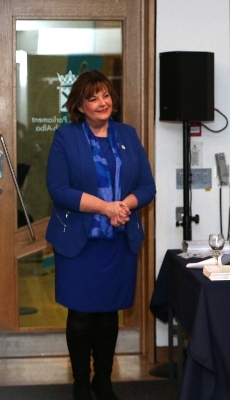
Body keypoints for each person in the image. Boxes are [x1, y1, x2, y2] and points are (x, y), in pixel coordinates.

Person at [46, 70, 156, 400]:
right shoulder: (66, 136)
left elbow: (147, 187)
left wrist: (125, 205)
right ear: (79, 106)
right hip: (80, 244)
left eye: (106, 95)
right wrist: (106, 208)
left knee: (109, 315)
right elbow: (58, 190)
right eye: (93, 98)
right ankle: (81, 381)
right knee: (80, 315)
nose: (102, 102)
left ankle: (103, 381)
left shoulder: (128, 134)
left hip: (118, 243)